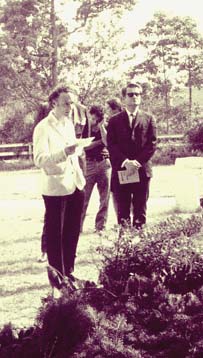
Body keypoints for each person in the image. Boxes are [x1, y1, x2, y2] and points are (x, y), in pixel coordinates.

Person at [33, 85, 85, 290]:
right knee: (55, 235)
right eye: (66, 103)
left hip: (75, 183)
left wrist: (77, 151)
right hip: (55, 187)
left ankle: (69, 272)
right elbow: (39, 159)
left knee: (72, 231)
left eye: (72, 103)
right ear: (54, 102)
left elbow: (71, 150)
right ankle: (57, 280)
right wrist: (64, 152)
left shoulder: (69, 124)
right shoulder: (43, 127)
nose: (70, 107)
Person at [107, 82, 157, 230]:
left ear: (141, 97)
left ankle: (140, 246)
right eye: (130, 94)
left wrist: (136, 162)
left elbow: (152, 144)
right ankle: (125, 246)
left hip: (141, 171)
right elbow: (111, 145)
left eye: (137, 94)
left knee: (140, 209)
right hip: (122, 171)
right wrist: (126, 162)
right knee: (122, 210)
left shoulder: (149, 118)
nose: (134, 97)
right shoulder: (114, 121)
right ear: (124, 98)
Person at [80, 105, 111, 233]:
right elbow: (84, 147)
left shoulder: (105, 126)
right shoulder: (85, 128)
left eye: (95, 118)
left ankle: (100, 226)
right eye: (91, 117)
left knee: (105, 198)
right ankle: (78, 226)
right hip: (89, 164)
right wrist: (99, 143)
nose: (92, 120)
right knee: (83, 197)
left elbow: (108, 142)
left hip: (104, 163)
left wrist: (102, 127)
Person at [105, 98, 122, 216]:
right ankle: (120, 219)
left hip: (124, 162)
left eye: (108, 109)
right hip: (114, 164)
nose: (106, 112)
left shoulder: (123, 121)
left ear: (114, 109)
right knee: (115, 193)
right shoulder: (109, 122)